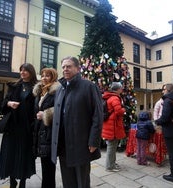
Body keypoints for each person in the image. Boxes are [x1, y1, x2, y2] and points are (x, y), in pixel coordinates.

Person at [51, 56, 102, 188]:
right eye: (63, 67)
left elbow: (97, 115)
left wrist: (94, 141)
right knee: (67, 180)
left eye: (69, 66)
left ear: (77, 68)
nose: (65, 69)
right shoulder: (60, 89)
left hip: (81, 144)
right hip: (63, 144)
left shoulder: (89, 87)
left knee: (82, 181)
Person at [0, 63, 37, 188]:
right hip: (12, 127)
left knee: (24, 155)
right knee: (11, 155)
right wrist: (9, 103)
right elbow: (2, 105)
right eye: (21, 70)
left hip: (27, 128)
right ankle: (12, 181)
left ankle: (23, 182)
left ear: (31, 72)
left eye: (25, 70)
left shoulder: (36, 87)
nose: (22, 72)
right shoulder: (14, 86)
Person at [32, 68, 59, 188]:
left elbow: (62, 110)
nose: (44, 78)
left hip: (50, 133)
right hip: (40, 132)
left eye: (47, 75)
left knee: (49, 166)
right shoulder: (40, 92)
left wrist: (46, 114)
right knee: (44, 165)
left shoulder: (57, 91)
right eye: (42, 75)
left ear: (53, 77)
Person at [102, 82, 126, 172]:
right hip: (113, 126)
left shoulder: (109, 97)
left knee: (112, 146)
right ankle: (109, 167)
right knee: (112, 147)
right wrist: (124, 109)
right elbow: (119, 111)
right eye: (121, 88)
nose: (122, 89)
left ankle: (112, 163)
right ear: (117, 89)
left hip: (109, 125)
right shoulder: (115, 98)